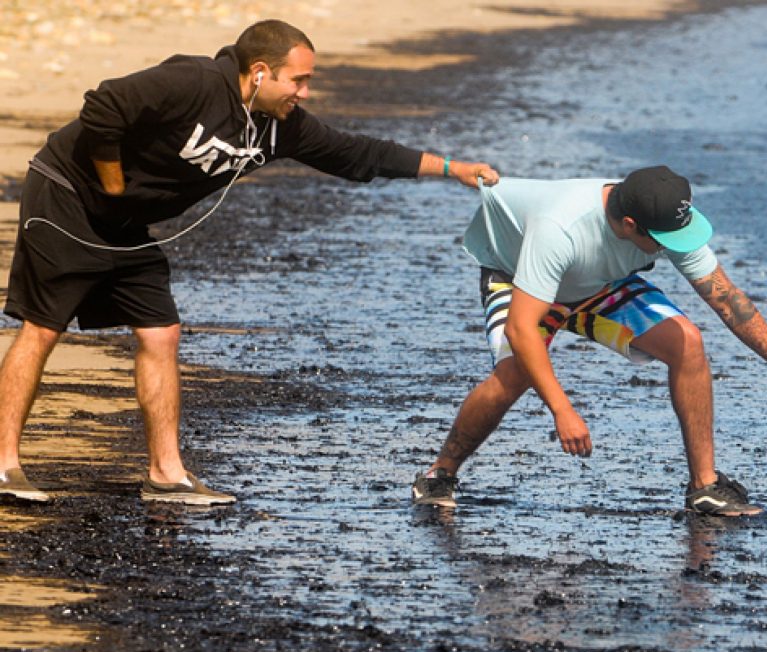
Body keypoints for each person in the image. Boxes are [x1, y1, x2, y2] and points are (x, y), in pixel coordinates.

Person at [0, 19, 499, 505]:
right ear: (260, 71)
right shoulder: (193, 83)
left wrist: (452, 169)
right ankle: (3, 465)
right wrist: (111, 183)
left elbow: (358, 154)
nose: (304, 92)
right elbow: (104, 104)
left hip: (124, 226)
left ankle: (166, 475)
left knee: (161, 332)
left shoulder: (278, 127)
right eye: (298, 80)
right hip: (66, 196)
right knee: (44, 327)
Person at [411, 166, 767, 515]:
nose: (672, 248)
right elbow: (522, 329)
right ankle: (439, 474)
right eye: (663, 241)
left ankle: (705, 487)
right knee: (516, 373)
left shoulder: (659, 216)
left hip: (599, 283)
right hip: (518, 275)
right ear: (629, 225)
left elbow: (728, 299)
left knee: (688, 343)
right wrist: (562, 409)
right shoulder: (561, 227)